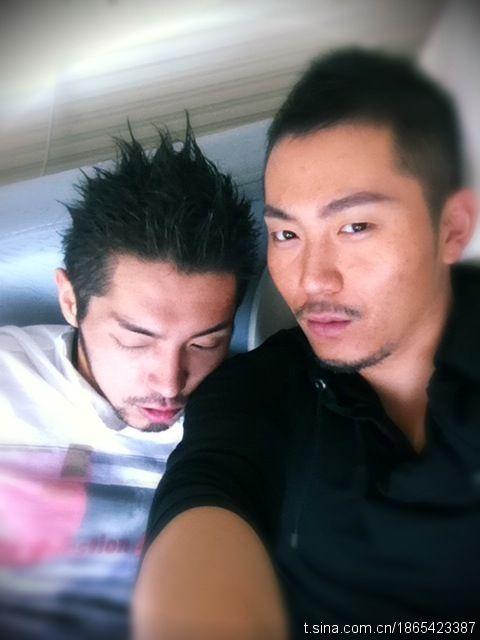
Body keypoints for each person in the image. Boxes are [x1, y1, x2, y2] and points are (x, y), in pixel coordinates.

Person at [135, 49, 479, 640]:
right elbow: (208, 488)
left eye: (355, 226)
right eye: (287, 233)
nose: (313, 280)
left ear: (451, 228)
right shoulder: (256, 392)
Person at [0, 124, 257, 639]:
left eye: (206, 342)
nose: (171, 382)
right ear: (71, 301)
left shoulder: (252, 417)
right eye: (137, 339)